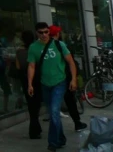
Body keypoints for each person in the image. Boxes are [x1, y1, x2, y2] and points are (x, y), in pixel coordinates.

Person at [27, 22, 78, 152]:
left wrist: (73, 79)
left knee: (54, 112)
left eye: (46, 32)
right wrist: (30, 84)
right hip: (45, 84)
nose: (44, 35)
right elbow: (31, 66)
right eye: (41, 32)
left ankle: (53, 143)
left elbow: (71, 62)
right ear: (36, 33)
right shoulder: (33, 48)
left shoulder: (59, 45)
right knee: (53, 113)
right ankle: (61, 138)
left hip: (60, 82)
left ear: (49, 32)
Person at [49, 25, 87, 132]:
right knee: (70, 101)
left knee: (53, 103)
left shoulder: (45, 46)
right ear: (57, 34)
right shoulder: (61, 45)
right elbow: (70, 62)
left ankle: (56, 128)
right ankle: (77, 123)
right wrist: (73, 78)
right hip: (64, 77)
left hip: (51, 78)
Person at [16, 29, 41, 139]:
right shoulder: (36, 49)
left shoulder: (19, 52)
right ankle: (34, 129)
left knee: (31, 105)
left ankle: (35, 128)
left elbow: (17, 67)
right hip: (37, 79)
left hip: (24, 79)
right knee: (36, 104)